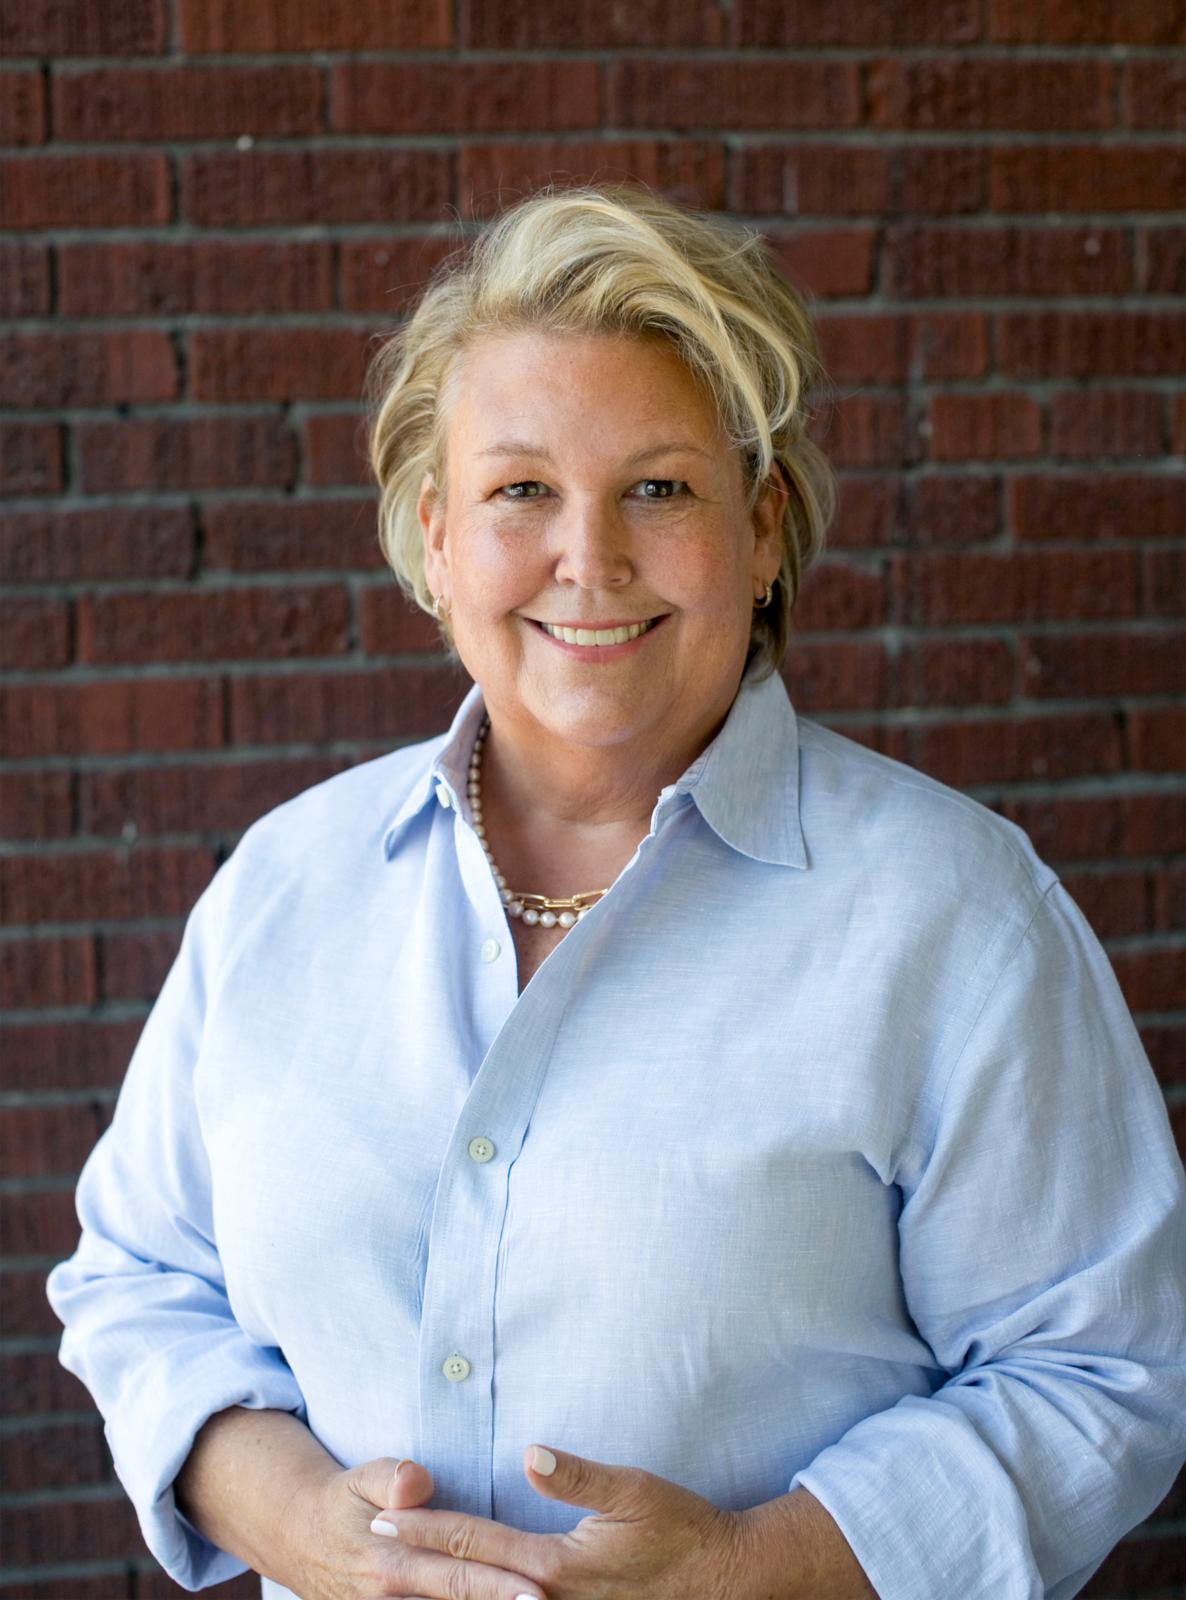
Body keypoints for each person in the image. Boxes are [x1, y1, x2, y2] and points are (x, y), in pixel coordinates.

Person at [47, 185, 1186, 1600]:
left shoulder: (956, 917)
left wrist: (749, 1568)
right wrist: (291, 1523)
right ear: (437, 535)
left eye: (658, 488)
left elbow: (1100, 1370)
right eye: (521, 490)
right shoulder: (285, 884)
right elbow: (139, 1279)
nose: (588, 560)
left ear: (761, 528)